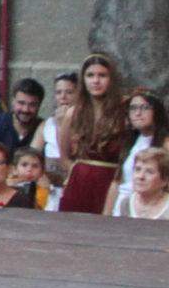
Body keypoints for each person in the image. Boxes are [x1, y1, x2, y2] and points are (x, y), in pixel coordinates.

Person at [55, 54, 131, 215]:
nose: (96, 81)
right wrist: (76, 174)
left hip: (112, 182)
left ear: (111, 79)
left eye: (102, 75)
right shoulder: (73, 113)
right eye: (90, 75)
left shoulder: (124, 110)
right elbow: (64, 157)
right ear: (83, 79)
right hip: (79, 182)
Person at [120, 87, 169, 193]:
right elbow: (117, 182)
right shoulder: (129, 142)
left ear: (156, 111)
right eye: (133, 108)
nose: (138, 113)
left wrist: (145, 185)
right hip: (123, 202)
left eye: (145, 108)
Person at [108, 148, 169, 223]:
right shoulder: (125, 203)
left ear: (165, 180)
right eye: (137, 169)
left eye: (149, 172)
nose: (141, 176)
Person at [0, 79, 44, 157]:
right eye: (21, 103)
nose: (26, 109)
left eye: (32, 105)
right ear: (13, 101)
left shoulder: (44, 129)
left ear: (39, 105)